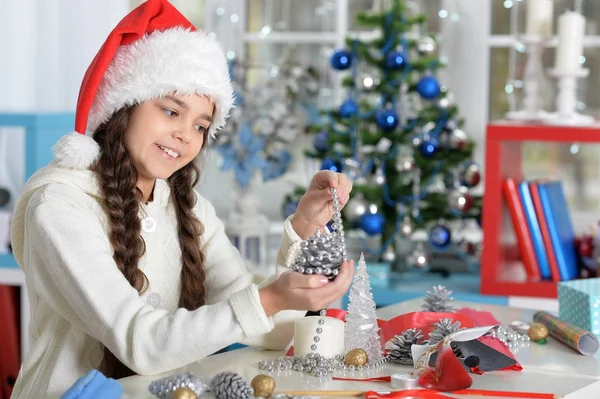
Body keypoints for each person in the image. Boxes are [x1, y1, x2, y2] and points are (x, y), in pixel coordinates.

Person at [8, 1, 354, 397]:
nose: (186, 135)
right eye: (171, 111)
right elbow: (141, 343)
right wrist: (269, 298)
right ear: (124, 105)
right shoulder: (59, 206)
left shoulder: (189, 208)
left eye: (201, 126)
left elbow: (271, 329)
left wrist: (305, 231)